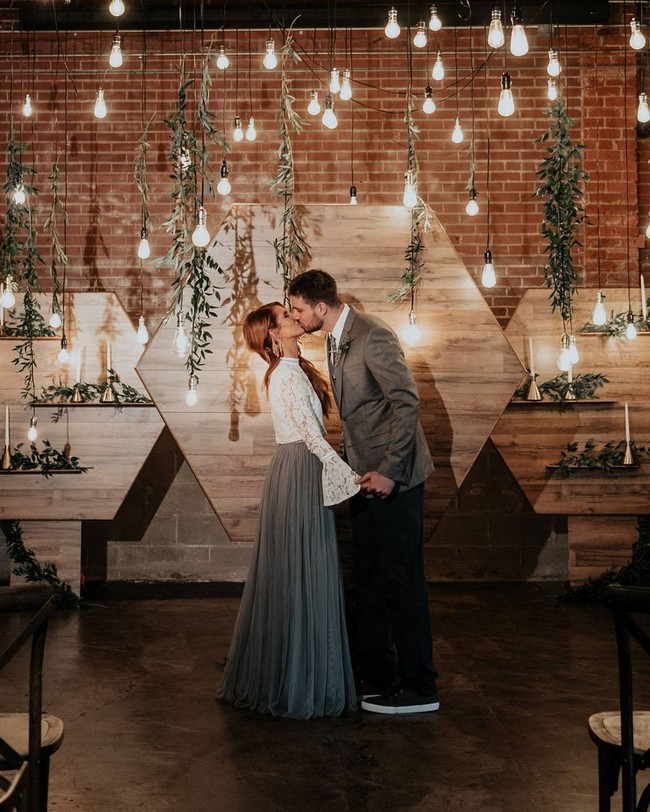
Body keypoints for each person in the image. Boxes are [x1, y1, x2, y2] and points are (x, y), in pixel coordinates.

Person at [288, 270, 439, 715]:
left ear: (321, 307)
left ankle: (420, 687)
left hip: (397, 479)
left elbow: (406, 402)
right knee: (370, 580)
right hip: (364, 479)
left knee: (401, 581)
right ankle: (380, 676)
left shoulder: (372, 335)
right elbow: (361, 415)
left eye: (298, 309)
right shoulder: (336, 338)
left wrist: (390, 471)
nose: (296, 318)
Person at [216, 302, 360, 719]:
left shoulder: (297, 369)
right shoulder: (283, 376)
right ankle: (298, 679)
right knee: (302, 569)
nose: (296, 318)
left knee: (304, 568)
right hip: (299, 468)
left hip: (300, 467)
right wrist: (348, 474)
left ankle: (305, 672)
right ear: (273, 336)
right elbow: (311, 436)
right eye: (285, 316)